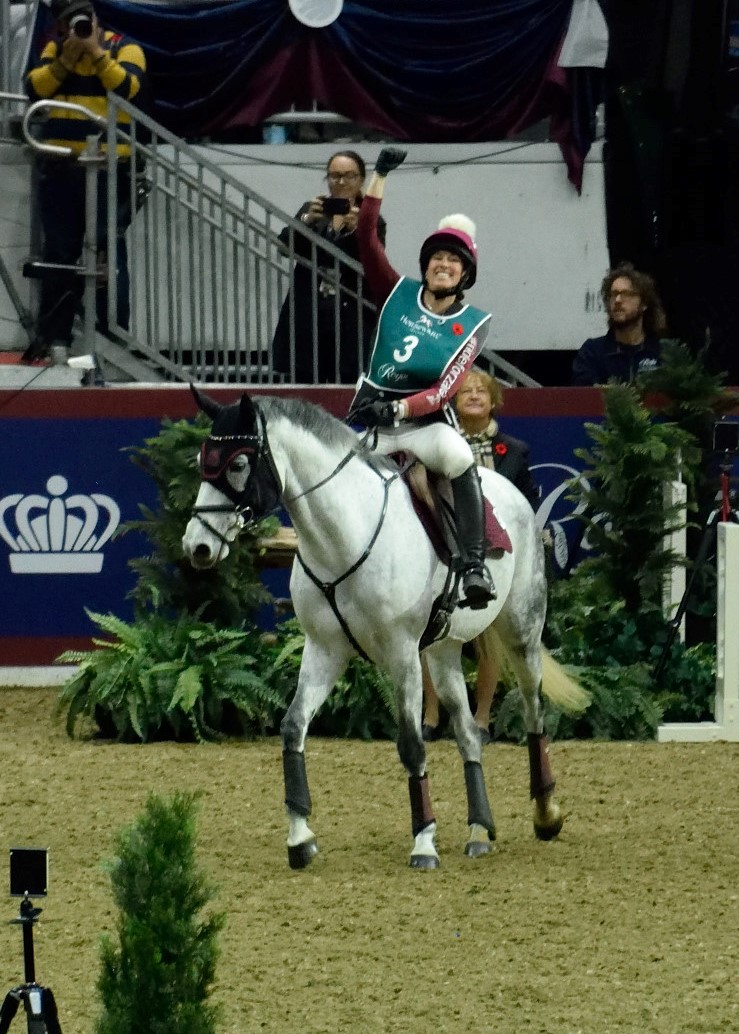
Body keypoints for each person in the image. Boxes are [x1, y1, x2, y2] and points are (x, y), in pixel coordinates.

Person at [348, 147, 495, 610]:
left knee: (457, 455)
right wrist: (381, 176)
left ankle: (474, 565)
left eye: (454, 261)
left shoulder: (473, 322)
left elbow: (446, 387)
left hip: (424, 424)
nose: (443, 264)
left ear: (464, 274)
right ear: (426, 264)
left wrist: (400, 408)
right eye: (437, 258)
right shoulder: (396, 291)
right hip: (372, 417)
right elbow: (366, 238)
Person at [22, 0, 147, 362]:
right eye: (68, 24)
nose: (75, 28)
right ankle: (56, 339)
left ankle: (112, 340)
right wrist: (65, 60)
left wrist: (96, 53)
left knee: (109, 252)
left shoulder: (125, 47)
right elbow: (34, 88)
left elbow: (127, 88)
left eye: (82, 20)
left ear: (95, 19)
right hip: (62, 169)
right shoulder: (54, 49)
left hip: (110, 172)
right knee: (59, 254)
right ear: (59, 26)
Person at [421, 367, 541, 743]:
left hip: (491, 548)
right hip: (444, 543)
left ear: (493, 401)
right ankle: (430, 713)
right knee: (426, 630)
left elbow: (526, 503)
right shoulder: (436, 445)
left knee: (491, 634)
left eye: (481, 391)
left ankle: (483, 718)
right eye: (465, 392)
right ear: (453, 403)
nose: (473, 396)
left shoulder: (516, 449)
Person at [271, 150, 386, 384]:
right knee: (304, 379)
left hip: (350, 314)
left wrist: (358, 232)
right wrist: (306, 222)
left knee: (346, 381)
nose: (341, 182)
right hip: (310, 311)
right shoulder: (313, 210)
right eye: (334, 176)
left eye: (349, 176)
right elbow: (285, 247)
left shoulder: (371, 218)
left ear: (361, 179)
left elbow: (374, 261)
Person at [571, 261, 668, 386]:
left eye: (626, 294)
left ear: (644, 304)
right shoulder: (593, 352)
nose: (617, 300)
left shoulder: (663, 351)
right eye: (613, 294)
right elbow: (583, 397)